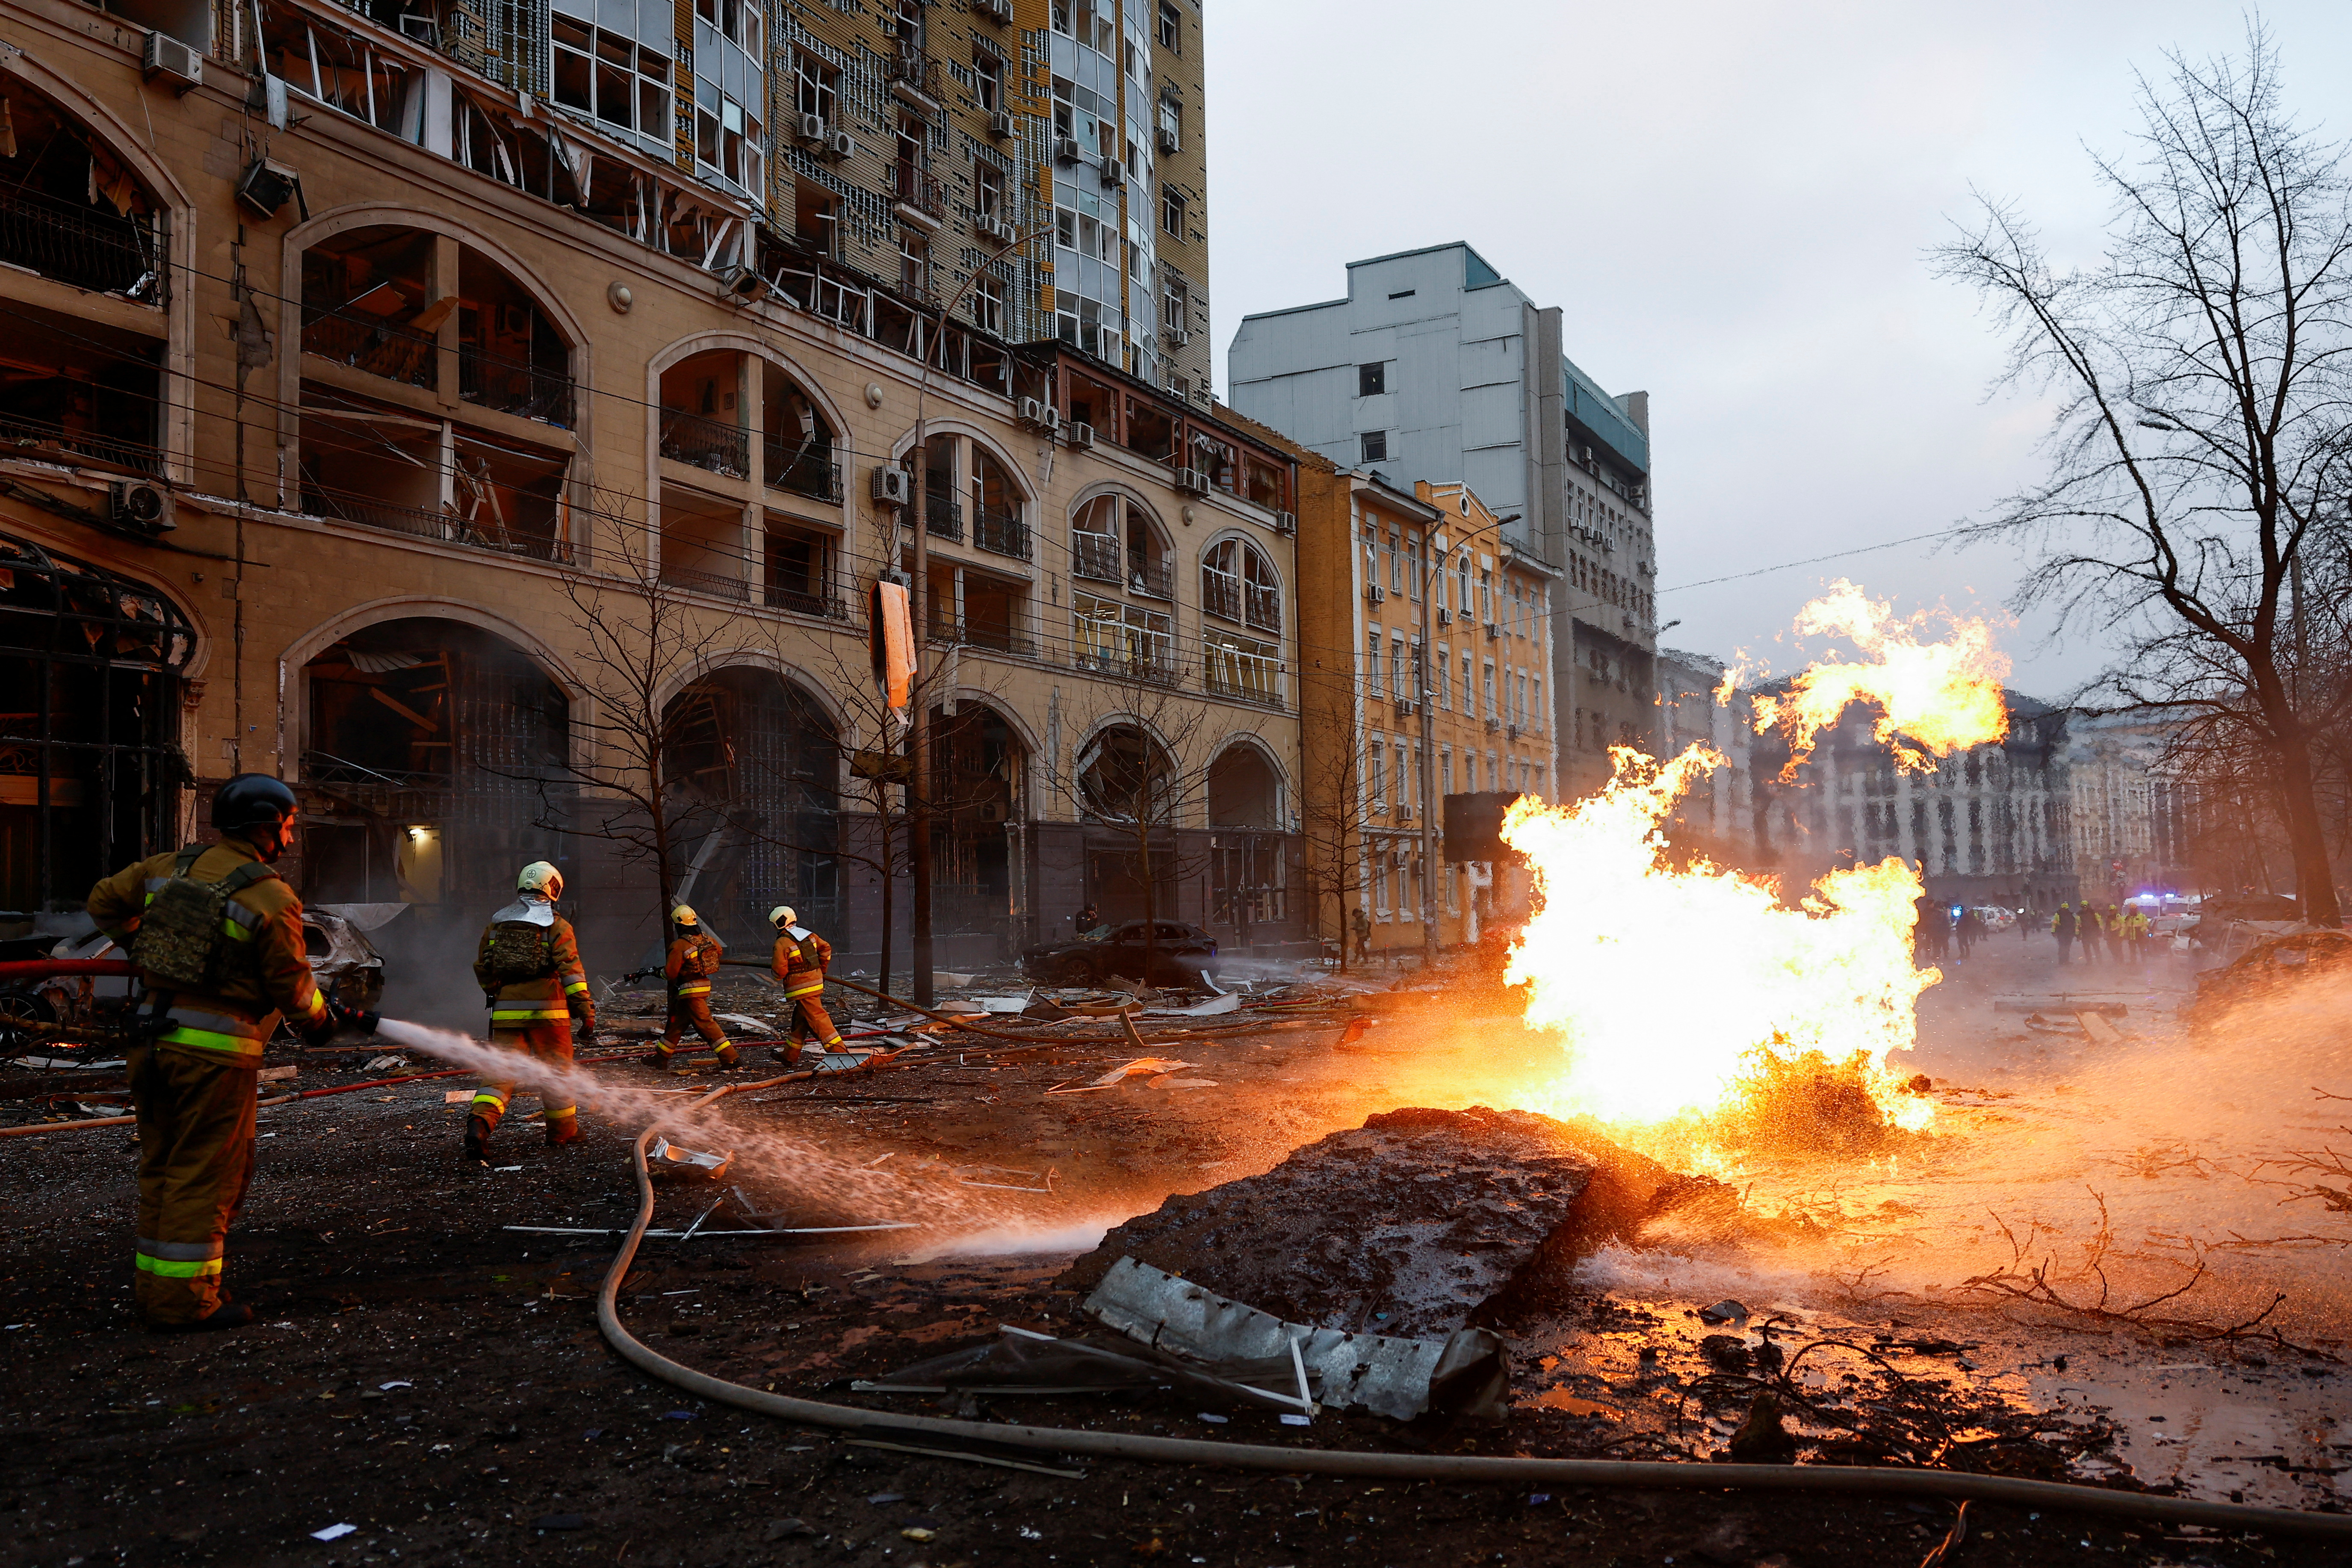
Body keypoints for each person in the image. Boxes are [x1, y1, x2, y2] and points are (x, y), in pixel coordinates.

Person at [87, 773, 375, 1331]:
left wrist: (145, 946)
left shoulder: (165, 868)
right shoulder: (269, 896)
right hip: (213, 1058)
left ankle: (157, 1291)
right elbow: (294, 990)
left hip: (150, 1043)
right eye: (287, 827)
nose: (289, 841)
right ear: (266, 826)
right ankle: (185, 1304)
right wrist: (320, 1021)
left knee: (164, 1168)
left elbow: (103, 900)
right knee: (206, 1176)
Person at [464, 862, 594, 1163]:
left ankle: (479, 1125)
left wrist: (496, 991)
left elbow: (483, 967)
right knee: (557, 1073)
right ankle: (563, 1131)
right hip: (549, 1013)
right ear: (552, 887)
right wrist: (585, 1011)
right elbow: (571, 973)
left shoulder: (497, 924)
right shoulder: (557, 926)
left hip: (506, 1013)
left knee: (499, 1074)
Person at [657, 905, 737, 1068]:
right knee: (677, 1024)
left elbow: (671, 973)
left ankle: (731, 1058)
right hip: (703, 986)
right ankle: (661, 1058)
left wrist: (659, 974)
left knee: (706, 1025)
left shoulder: (680, 945)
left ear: (679, 925)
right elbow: (718, 951)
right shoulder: (706, 938)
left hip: (690, 990)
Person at [768, 905, 845, 1066]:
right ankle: (790, 1055)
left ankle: (842, 1056)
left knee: (818, 1020)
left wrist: (777, 977)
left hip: (801, 987)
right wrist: (821, 970)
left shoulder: (782, 942)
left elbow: (780, 970)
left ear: (778, 922)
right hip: (816, 982)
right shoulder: (809, 935)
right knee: (801, 1020)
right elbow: (826, 949)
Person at [2051, 902, 2077, 966]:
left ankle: (2063, 961)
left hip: (2062, 933)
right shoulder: (2071, 915)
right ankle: (2065, 961)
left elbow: (2054, 924)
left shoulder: (2058, 915)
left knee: (2063, 947)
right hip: (2068, 934)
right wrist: (2076, 933)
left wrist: (2054, 932)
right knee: (2066, 948)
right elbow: (2075, 924)